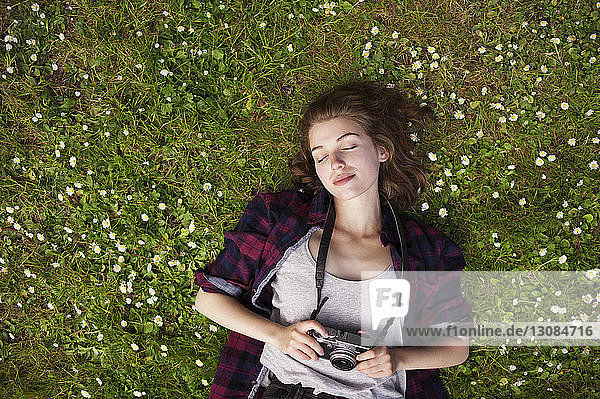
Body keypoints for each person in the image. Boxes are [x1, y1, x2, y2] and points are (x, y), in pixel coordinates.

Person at [193, 81, 472, 399]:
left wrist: (397, 359)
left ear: (382, 150)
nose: (335, 163)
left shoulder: (427, 249)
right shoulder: (280, 217)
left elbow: (455, 347)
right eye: (321, 156)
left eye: (348, 146)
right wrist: (280, 336)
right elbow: (209, 299)